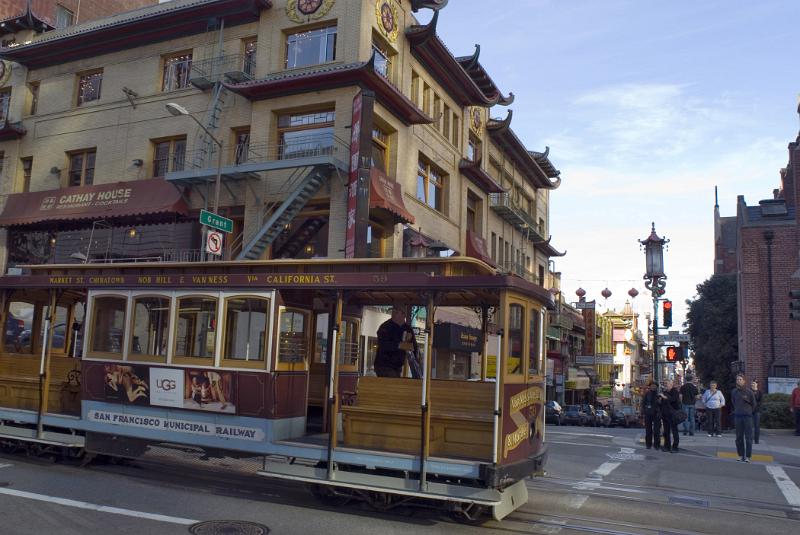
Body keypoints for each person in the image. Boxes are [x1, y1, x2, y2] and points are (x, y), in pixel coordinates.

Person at [374, 308, 418, 378]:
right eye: (393, 311)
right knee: (392, 383)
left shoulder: (407, 329)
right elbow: (383, 344)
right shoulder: (385, 327)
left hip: (397, 366)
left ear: (404, 315)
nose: (393, 314)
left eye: (396, 312)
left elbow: (414, 347)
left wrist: (417, 364)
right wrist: (399, 345)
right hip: (384, 365)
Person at [731, 373, 755, 462]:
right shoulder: (734, 392)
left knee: (748, 437)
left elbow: (754, 404)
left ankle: (748, 456)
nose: (739, 381)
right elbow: (733, 402)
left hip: (747, 417)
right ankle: (740, 455)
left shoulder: (749, 392)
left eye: (740, 379)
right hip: (738, 416)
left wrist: (748, 411)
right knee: (738, 437)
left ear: (744, 381)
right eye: (737, 379)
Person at [659, 379, 681, 453]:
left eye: (667, 384)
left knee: (674, 431)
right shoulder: (664, 392)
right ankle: (667, 446)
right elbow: (662, 403)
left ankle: (675, 447)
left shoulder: (675, 391)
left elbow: (673, 400)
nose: (665, 385)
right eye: (665, 384)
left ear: (671, 385)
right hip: (665, 414)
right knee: (666, 431)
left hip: (673, 414)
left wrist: (664, 397)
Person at [641, 382, 662, 450]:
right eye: (652, 386)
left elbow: (661, 404)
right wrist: (644, 411)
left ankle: (657, 445)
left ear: (657, 387)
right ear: (650, 386)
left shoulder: (659, 394)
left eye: (654, 386)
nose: (653, 387)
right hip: (648, 413)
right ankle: (648, 444)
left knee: (656, 431)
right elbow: (643, 403)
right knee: (648, 430)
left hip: (656, 414)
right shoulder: (647, 393)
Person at [751, 380, 763, 444]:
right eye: (752, 383)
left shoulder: (760, 392)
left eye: (754, 383)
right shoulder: (749, 391)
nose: (752, 384)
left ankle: (756, 440)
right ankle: (750, 438)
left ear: (757, 384)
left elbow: (760, 402)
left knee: (757, 426)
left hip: (757, 411)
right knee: (750, 425)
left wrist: (755, 405)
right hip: (749, 411)